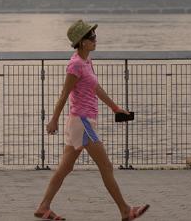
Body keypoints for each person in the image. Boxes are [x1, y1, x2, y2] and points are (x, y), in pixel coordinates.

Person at [34, 20, 150, 221]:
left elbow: (96, 88)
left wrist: (115, 108)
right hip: (82, 122)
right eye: (91, 37)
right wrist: (53, 120)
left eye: (95, 36)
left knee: (65, 168)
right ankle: (125, 210)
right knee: (106, 166)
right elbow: (64, 95)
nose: (95, 40)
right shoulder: (75, 65)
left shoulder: (87, 62)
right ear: (81, 42)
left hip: (82, 122)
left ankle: (43, 207)